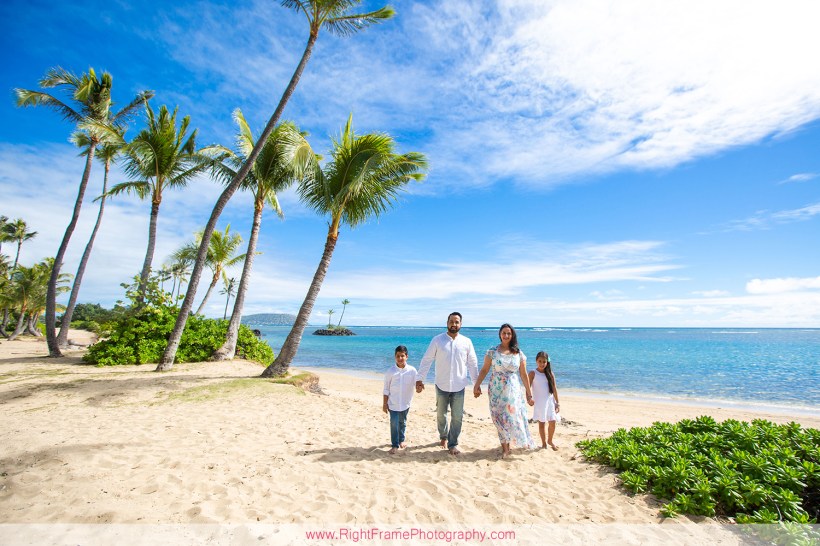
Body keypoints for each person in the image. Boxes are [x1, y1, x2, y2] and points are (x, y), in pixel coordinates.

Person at [416, 312, 479, 456]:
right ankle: (443, 436)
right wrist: (420, 379)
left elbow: (472, 364)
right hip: (441, 384)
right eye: (451, 321)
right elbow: (427, 359)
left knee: (457, 416)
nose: (454, 324)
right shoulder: (437, 340)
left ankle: (453, 443)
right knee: (441, 415)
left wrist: (476, 384)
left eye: (457, 322)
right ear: (447, 322)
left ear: (461, 324)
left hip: (459, 385)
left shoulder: (466, 342)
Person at [473, 323, 535, 458]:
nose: (506, 335)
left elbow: (524, 375)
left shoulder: (518, 353)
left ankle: (511, 443)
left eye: (509, 333)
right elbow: (484, 369)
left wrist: (529, 394)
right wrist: (477, 385)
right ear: (500, 335)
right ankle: (505, 448)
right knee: (499, 418)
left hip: (513, 391)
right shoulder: (492, 351)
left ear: (512, 335)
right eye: (504, 333)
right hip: (496, 390)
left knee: (512, 417)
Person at [383, 345, 416, 454]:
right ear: (395, 357)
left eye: (402, 356)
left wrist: (420, 387)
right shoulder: (390, 371)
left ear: (407, 356)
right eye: (398, 356)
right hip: (393, 403)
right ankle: (394, 444)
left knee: (403, 422)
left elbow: (417, 384)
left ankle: (401, 440)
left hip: (406, 403)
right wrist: (384, 403)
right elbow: (386, 389)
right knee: (394, 423)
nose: (400, 358)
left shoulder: (412, 371)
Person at [528, 351, 560, 450]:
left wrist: (557, 403)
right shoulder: (533, 373)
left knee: (553, 422)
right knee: (541, 423)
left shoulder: (550, 373)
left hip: (550, 401)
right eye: (540, 361)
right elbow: (527, 387)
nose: (542, 364)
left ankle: (550, 440)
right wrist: (529, 398)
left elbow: (554, 389)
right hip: (539, 402)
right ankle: (544, 444)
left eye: (544, 362)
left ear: (547, 362)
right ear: (536, 361)